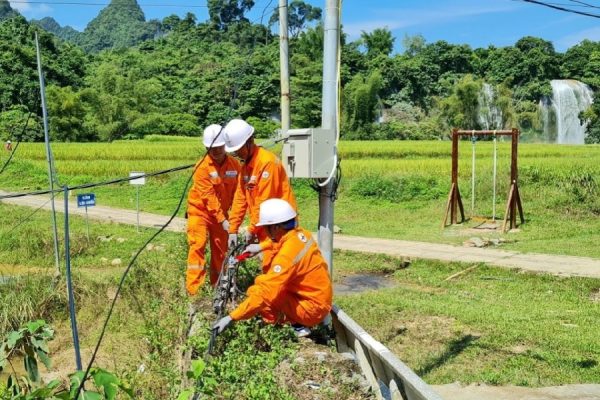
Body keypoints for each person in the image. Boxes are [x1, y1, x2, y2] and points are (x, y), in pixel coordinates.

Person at [212, 198, 332, 337]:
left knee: (258, 292)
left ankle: (292, 326)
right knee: (262, 283)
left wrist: (231, 317)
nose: (265, 232)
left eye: (265, 228)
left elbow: (265, 293)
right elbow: (281, 242)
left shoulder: (286, 257)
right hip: (319, 299)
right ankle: (296, 321)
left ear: (275, 227)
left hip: (311, 310)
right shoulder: (301, 234)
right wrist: (260, 247)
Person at [222, 118, 297, 272]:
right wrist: (233, 229)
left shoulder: (267, 163)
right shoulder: (246, 168)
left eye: (239, 149)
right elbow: (240, 199)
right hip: (265, 225)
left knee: (278, 268)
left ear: (250, 141)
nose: (236, 153)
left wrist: (251, 230)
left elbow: (264, 202)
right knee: (270, 268)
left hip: (280, 226)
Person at [186, 124, 241, 295]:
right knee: (198, 245)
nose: (216, 151)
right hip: (199, 212)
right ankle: (194, 290)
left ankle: (217, 286)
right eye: (212, 148)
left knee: (221, 250)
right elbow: (208, 196)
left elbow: (240, 194)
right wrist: (223, 220)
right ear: (206, 147)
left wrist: (232, 220)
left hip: (222, 216)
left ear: (225, 145)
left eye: (219, 147)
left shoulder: (235, 166)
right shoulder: (202, 167)